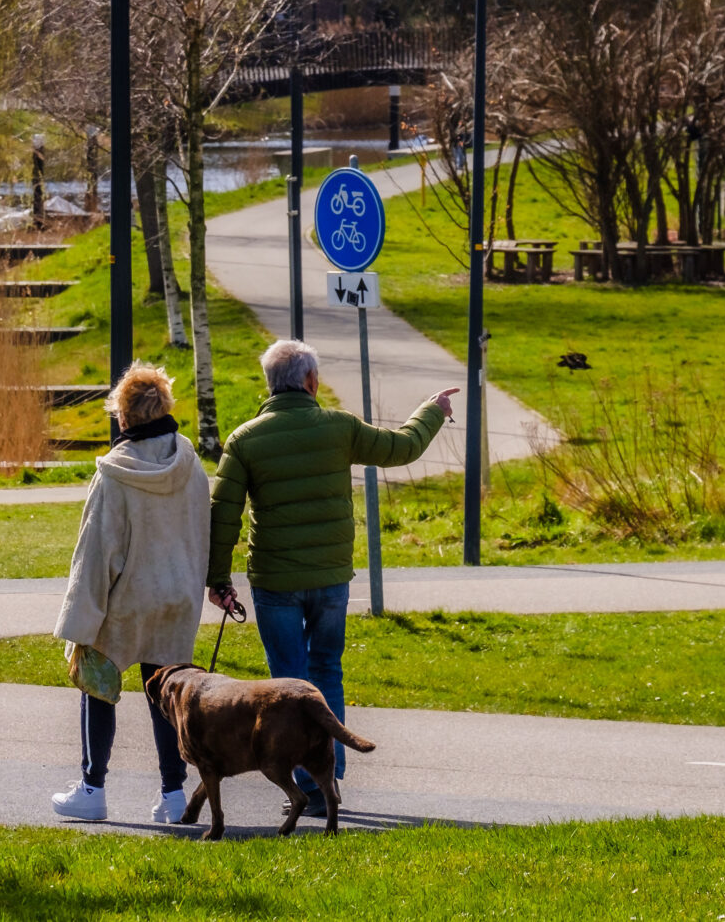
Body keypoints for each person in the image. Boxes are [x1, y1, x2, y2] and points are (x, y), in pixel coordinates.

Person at [205, 339, 457, 818]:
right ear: (311, 381)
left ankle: (302, 783)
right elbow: (401, 448)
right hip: (330, 579)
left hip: (275, 580)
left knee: (287, 682)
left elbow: (224, 515)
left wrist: (218, 578)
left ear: (269, 384)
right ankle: (327, 781)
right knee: (326, 674)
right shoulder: (338, 427)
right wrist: (432, 410)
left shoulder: (245, 439)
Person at [50, 363, 213, 825]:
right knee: (166, 691)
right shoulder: (190, 464)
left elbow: (96, 552)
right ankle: (173, 793)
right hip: (177, 596)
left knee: (98, 685)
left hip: (127, 598)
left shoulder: (115, 475)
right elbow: (202, 528)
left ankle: (92, 787)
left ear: (122, 417)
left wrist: (81, 620)